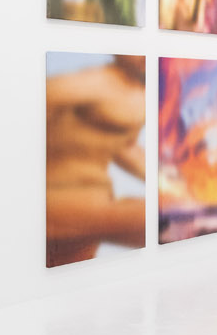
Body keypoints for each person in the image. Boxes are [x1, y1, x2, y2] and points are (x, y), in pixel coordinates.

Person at [45, 54, 146, 266]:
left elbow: (124, 146)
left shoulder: (143, 93)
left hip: (96, 200)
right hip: (61, 199)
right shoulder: (92, 83)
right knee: (162, 216)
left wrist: (172, 183)